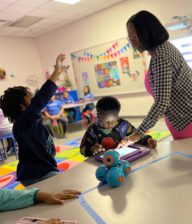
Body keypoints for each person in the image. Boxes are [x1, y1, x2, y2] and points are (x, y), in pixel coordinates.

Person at [118, 10, 192, 147]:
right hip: (191, 107)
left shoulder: (161, 56)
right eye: (130, 38)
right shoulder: (161, 50)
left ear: (147, 32)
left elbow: (161, 102)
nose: (132, 42)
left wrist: (137, 134)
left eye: (135, 36)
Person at [0, 54, 67, 186]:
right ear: (22, 106)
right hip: (38, 174)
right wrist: (56, 73)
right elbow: (40, 99)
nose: (33, 97)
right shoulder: (24, 121)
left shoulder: (28, 121)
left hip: (43, 169)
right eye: (30, 97)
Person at [80, 96, 156, 157]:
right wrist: (90, 149)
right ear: (98, 115)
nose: (110, 124)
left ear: (118, 115)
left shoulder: (124, 125)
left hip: (124, 160)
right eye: (106, 121)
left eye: (114, 120)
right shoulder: (92, 130)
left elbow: (137, 136)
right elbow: (82, 150)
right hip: (102, 164)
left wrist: (148, 140)